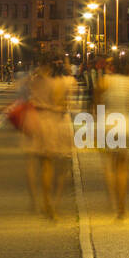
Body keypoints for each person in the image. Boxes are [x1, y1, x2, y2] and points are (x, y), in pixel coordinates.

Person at [95, 50, 129, 219]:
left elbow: (97, 105)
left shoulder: (105, 81)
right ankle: (126, 207)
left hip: (109, 125)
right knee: (124, 168)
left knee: (112, 167)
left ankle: (117, 204)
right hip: (128, 125)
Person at [20, 62, 76, 219]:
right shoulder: (67, 81)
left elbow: (24, 94)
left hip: (38, 122)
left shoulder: (35, 80)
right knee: (61, 167)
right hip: (57, 123)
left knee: (42, 164)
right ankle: (54, 203)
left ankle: (39, 200)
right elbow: (64, 105)